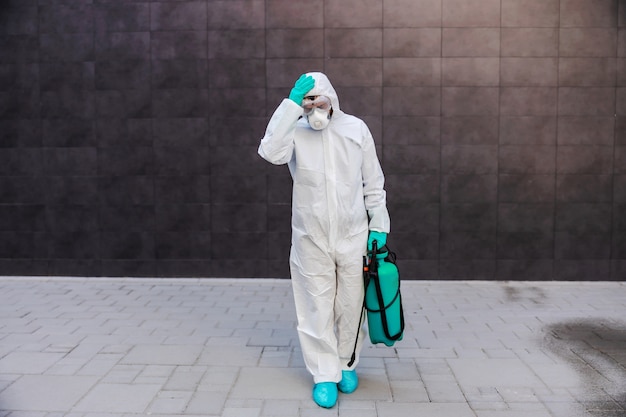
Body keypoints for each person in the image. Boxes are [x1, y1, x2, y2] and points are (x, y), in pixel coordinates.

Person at [258, 72, 390, 408]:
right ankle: (323, 374)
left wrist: (379, 223)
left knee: (350, 304)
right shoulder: (295, 131)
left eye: (320, 101)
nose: (315, 108)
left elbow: (372, 180)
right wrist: (289, 107)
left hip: (354, 235)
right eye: (308, 102)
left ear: (332, 99)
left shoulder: (355, 129)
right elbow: (271, 152)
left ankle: (346, 364)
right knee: (315, 306)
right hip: (310, 237)